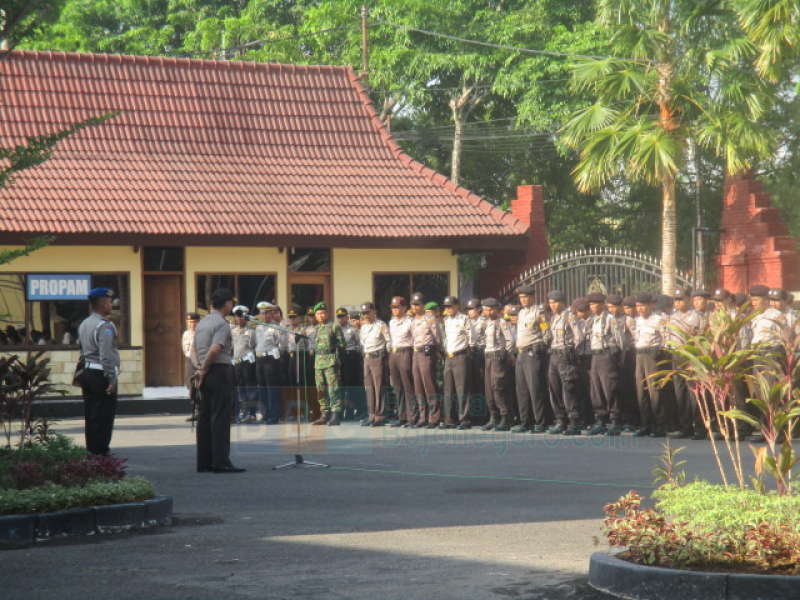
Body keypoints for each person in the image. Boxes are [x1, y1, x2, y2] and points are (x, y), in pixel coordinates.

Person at [193, 288, 245, 473]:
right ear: (227, 304)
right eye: (231, 302)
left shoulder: (203, 322)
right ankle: (221, 462)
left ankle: (204, 462)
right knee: (220, 417)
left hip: (205, 372)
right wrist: (205, 368)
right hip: (219, 371)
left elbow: (193, 349)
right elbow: (216, 349)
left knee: (205, 416)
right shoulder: (222, 324)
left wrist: (199, 369)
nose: (231, 306)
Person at [77, 287, 120, 456]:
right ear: (102, 303)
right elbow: (106, 355)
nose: (111, 305)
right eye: (109, 302)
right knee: (104, 415)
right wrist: (112, 378)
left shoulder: (85, 323)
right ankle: (102, 450)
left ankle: (92, 449)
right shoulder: (105, 326)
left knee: (91, 414)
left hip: (88, 373)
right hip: (101, 374)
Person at [667, 288, 704, 439]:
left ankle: (699, 428)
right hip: (676, 355)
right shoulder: (672, 317)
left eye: (681, 299)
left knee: (693, 392)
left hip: (691, 356)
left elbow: (700, 336)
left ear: (689, 299)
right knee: (679, 392)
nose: (678, 302)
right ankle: (685, 427)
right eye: (676, 300)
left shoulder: (695, 316)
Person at [585, 293, 623, 436]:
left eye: (595, 304)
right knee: (596, 389)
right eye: (591, 304)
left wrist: (615, 355)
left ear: (602, 304)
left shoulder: (609, 318)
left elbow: (619, 339)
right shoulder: (592, 320)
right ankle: (600, 419)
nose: (592, 307)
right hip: (595, 355)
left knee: (610, 389)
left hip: (607, 355)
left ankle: (614, 420)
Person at [546, 290, 582, 435]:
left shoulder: (570, 316)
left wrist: (571, 351)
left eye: (555, 302)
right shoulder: (554, 317)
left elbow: (579, 336)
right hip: (554, 355)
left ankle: (574, 422)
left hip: (565, 356)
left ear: (562, 302)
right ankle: (560, 420)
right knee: (553, 389)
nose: (552, 305)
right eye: (550, 302)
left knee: (568, 389)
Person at [513, 285, 548, 434]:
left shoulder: (538, 312)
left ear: (532, 297)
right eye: (521, 298)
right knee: (522, 390)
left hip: (532, 354)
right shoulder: (520, 313)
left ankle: (540, 422)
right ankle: (524, 421)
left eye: (526, 297)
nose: (523, 300)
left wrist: (541, 346)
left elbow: (546, 331)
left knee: (535, 388)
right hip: (520, 354)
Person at [633, 292, 667, 437]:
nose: (640, 309)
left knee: (654, 391)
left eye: (642, 306)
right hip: (639, 355)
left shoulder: (658, 319)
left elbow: (666, 337)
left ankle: (659, 426)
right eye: (638, 306)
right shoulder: (637, 320)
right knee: (641, 392)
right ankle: (645, 424)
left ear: (650, 305)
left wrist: (659, 352)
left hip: (652, 355)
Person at [481, 297, 513, 431]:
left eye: (489, 310)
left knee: (498, 387)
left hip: (497, 358)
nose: (486, 312)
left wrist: (503, 355)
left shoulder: (502, 323)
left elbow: (510, 340)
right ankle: (493, 417)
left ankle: (505, 417)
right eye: (485, 310)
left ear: (495, 310)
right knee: (488, 389)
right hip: (488, 357)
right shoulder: (487, 323)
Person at [311, 302, 346, 426]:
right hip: (318, 362)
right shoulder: (315, 329)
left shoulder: (334, 327)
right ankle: (324, 414)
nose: (320, 316)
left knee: (333, 389)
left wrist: (335, 352)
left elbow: (342, 344)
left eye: (323, 313)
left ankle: (335, 414)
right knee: (320, 389)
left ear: (327, 314)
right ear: (315, 316)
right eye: (318, 314)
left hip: (330, 361)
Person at [410, 292, 442, 428]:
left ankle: (433, 417)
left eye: (417, 304)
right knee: (418, 387)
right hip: (416, 354)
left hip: (427, 353)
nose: (415, 307)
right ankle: (422, 417)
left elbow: (437, 337)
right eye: (413, 304)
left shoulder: (430, 318)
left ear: (423, 305)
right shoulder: (413, 320)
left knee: (429, 385)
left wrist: (439, 351)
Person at [358, 302, 390, 426]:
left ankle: (380, 415)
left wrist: (385, 357)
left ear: (374, 311)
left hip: (378, 357)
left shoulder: (381, 325)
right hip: (367, 357)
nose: (366, 315)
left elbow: (388, 341)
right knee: (369, 387)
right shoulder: (364, 327)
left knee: (379, 386)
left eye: (367, 312)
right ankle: (371, 414)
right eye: (364, 313)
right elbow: (362, 343)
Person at [441, 296, 471, 429]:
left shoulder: (464, 319)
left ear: (457, 306)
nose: (448, 309)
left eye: (450, 306)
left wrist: (468, 352)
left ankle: (464, 419)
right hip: (449, 357)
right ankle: (449, 419)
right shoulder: (446, 321)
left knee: (461, 389)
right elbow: (445, 338)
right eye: (446, 307)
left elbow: (471, 337)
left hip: (460, 355)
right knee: (448, 389)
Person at [388, 296, 415, 427]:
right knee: (397, 387)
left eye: (397, 307)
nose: (395, 309)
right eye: (393, 307)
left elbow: (415, 339)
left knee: (407, 386)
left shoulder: (410, 321)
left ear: (404, 307)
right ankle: (401, 416)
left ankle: (412, 417)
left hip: (406, 352)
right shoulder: (391, 322)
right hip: (394, 353)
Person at [254, 301, 281, 424]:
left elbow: (282, 344)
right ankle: (264, 414)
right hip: (259, 360)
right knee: (262, 389)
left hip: (270, 360)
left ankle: (273, 415)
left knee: (272, 389)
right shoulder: (258, 327)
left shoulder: (276, 327)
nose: (265, 316)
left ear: (271, 314)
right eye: (262, 313)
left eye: (267, 313)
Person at [231, 305, 257, 424]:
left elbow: (254, 346)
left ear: (246, 317)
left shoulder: (251, 331)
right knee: (239, 388)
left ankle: (252, 413)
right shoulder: (233, 331)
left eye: (241, 317)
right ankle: (243, 411)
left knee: (250, 387)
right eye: (237, 317)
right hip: (237, 363)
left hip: (247, 363)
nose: (239, 319)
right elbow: (231, 348)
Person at [337, 307, 363, 421]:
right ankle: (341, 410)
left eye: (343, 316)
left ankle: (351, 411)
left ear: (347, 317)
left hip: (351, 357)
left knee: (351, 385)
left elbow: (359, 344)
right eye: (339, 317)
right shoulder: (335, 329)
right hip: (339, 357)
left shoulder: (352, 329)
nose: (340, 319)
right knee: (341, 386)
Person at [466, 298, 487, 421]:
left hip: (480, 352)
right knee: (472, 384)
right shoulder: (467, 321)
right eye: (468, 309)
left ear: (479, 309)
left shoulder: (484, 321)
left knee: (481, 383)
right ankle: (474, 414)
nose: (469, 311)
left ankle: (483, 415)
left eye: (471, 309)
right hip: (470, 353)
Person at [182, 312, 200, 422]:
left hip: (198, 361)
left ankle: (200, 411)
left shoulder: (201, 333)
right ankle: (193, 412)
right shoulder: (186, 334)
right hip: (189, 361)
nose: (191, 325)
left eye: (194, 322)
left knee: (199, 387)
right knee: (191, 388)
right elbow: (185, 349)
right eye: (189, 322)